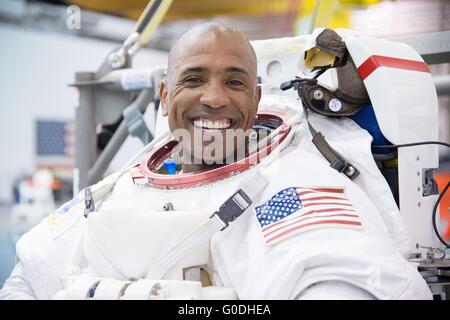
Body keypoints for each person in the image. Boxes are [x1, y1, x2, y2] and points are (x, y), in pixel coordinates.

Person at [0, 22, 432, 300]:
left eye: (234, 81)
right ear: (165, 95)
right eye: (193, 79)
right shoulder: (120, 189)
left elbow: (349, 280)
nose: (214, 98)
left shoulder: (292, 190)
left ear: (256, 98)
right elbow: (28, 278)